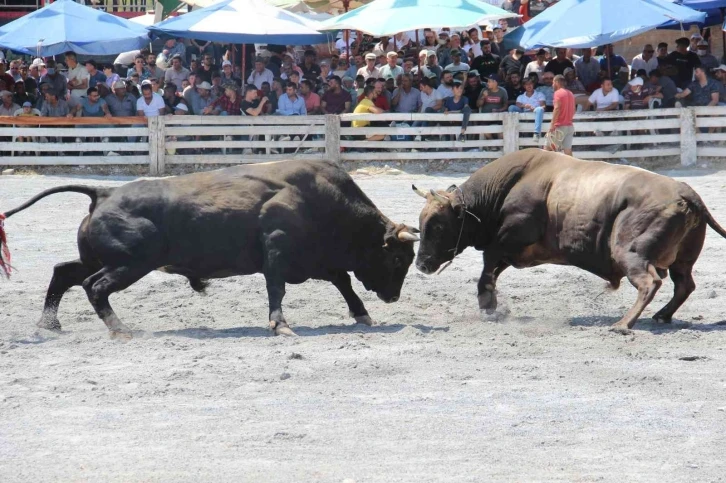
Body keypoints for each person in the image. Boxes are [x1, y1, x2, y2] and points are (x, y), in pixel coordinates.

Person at [545, 74, 575, 155]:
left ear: (557, 82)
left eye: (553, 82)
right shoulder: (570, 93)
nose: (552, 85)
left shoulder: (558, 93)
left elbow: (557, 108)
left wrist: (552, 124)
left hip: (560, 126)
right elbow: (573, 110)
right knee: (567, 151)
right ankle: (572, 167)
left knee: (547, 148)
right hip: (569, 126)